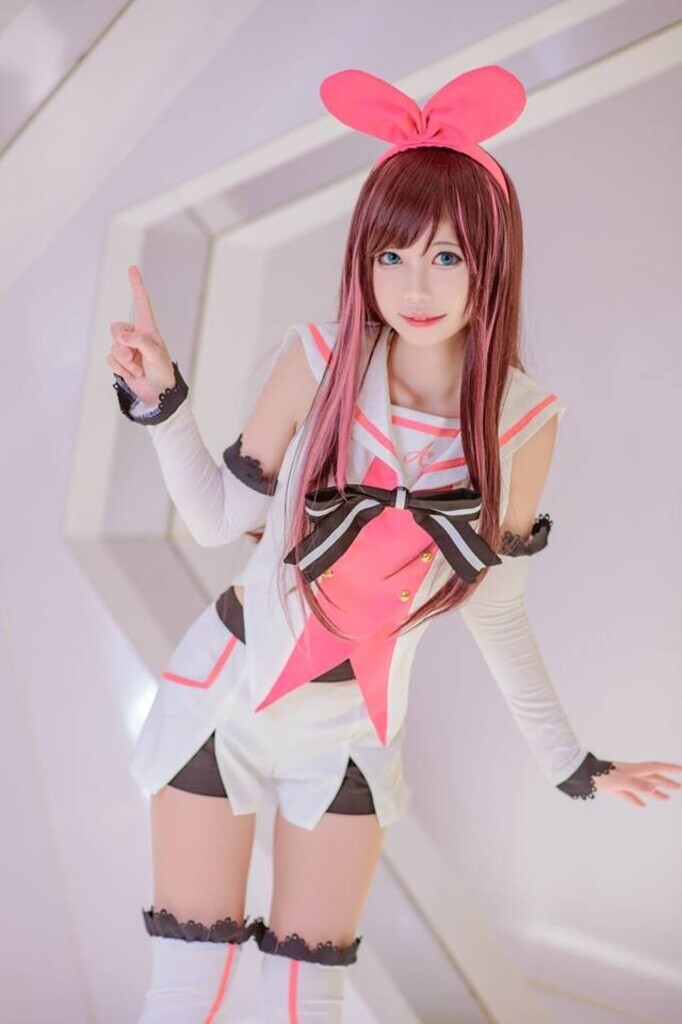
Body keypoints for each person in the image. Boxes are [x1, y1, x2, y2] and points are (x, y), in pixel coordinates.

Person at [107, 66, 682, 1024]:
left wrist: (571, 762)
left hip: (355, 733)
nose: (415, 287)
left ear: (490, 263)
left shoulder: (522, 423)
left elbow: (496, 610)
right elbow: (216, 521)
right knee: (188, 991)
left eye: (447, 257)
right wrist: (162, 401)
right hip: (225, 694)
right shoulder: (319, 359)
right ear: (363, 260)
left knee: (309, 999)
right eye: (392, 255)